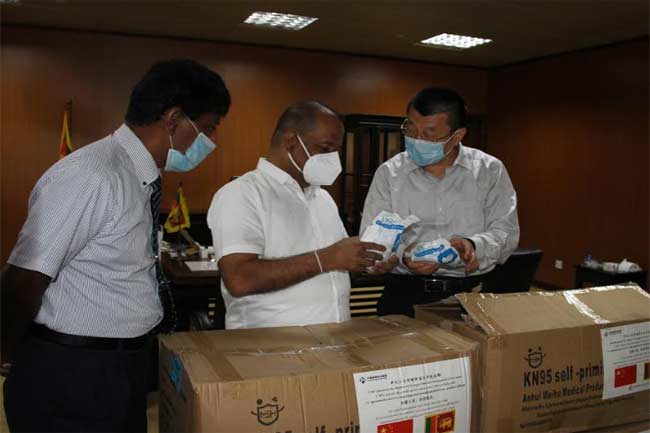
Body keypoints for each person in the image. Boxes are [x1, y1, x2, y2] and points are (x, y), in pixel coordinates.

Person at [0, 59, 230, 433]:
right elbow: (23, 279)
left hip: (117, 367)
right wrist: (8, 350)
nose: (211, 142)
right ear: (174, 120)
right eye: (207, 128)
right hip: (73, 374)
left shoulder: (139, 175)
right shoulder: (93, 176)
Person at [207, 101, 385, 329]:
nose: (333, 159)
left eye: (336, 151)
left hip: (333, 338)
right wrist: (326, 259)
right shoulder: (242, 194)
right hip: (268, 344)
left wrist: (365, 263)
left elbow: (337, 266)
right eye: (325, 149)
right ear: (291, 141)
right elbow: (239, 279)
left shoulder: (322, 197)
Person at [360, 87, 520, 317]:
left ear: (457, 136)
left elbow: (506, 232)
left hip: (472, 293)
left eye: (429, 134)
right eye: (410, 129)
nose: (416, 140)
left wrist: (472, 246)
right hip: (405, 292)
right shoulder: (390, 173)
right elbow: (372, 238)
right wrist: (405, 255)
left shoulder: (489, 170)